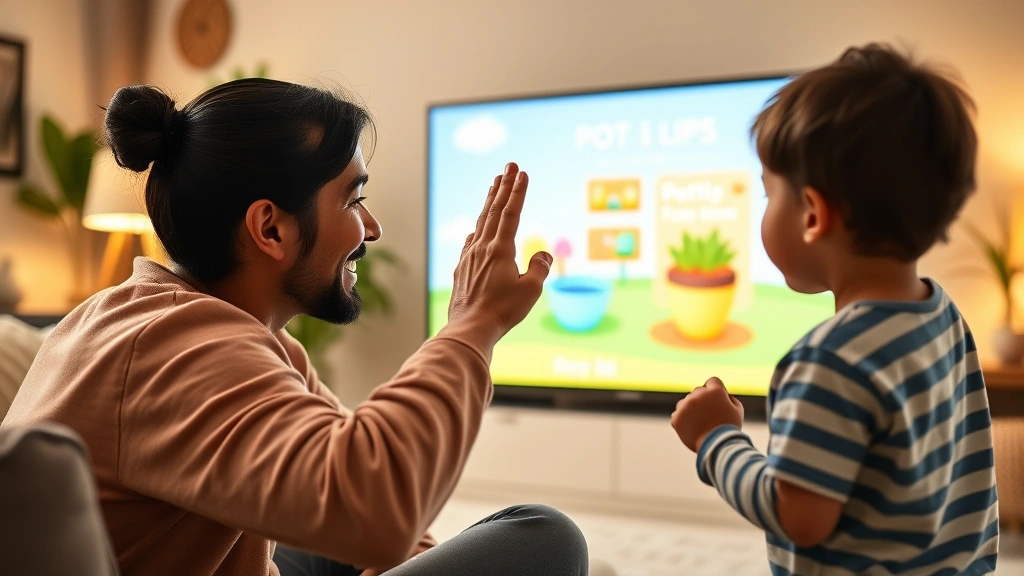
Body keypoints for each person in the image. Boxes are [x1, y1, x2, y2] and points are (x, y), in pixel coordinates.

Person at [1, 79, 588, 576]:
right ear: (270, 229)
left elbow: (366, 495)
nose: (372, 228)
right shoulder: (175, 346)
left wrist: (407, 552)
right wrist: (475, 323)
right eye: (352, 200)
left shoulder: (169, 319)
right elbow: (377, 508)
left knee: (347, 532)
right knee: (543, 538)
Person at [670, 43, 999, 575]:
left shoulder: (830, 360)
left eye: (768, 195)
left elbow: (798, 515)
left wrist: (715, 438)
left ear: (812, 215)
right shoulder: (944, 316)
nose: (764, 210)